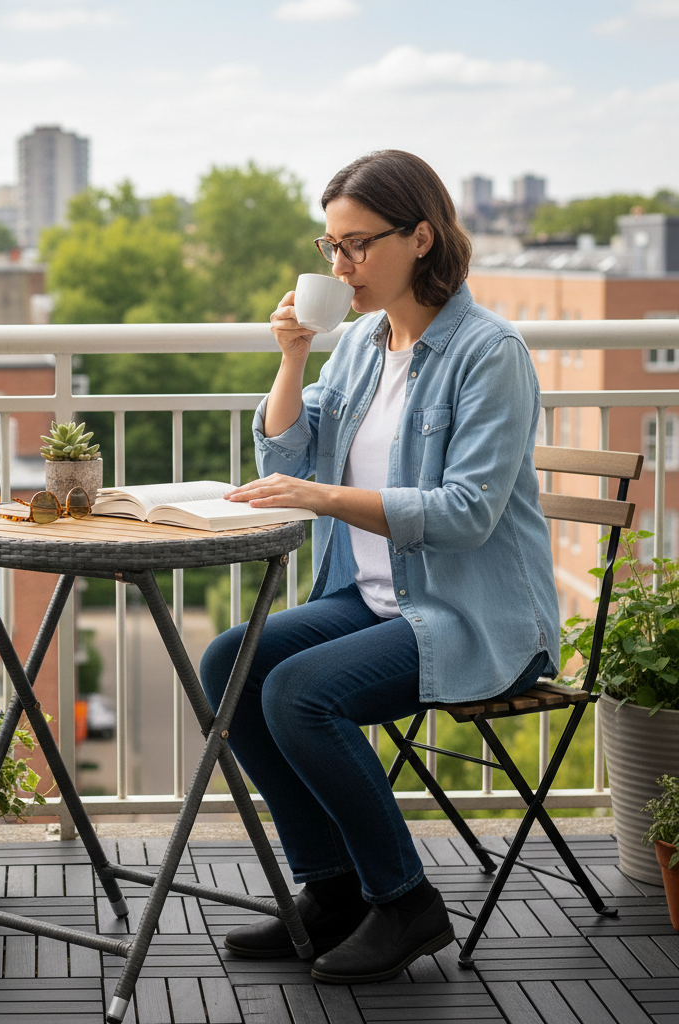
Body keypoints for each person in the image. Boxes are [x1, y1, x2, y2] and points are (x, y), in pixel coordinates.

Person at [199, 150, 560, 985]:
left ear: (422, 237)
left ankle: (404, 902)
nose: (341, 266)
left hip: (469, 617)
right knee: (229, 663)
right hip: (373, 600)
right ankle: (332, 893)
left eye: (357, 245)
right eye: (330, 247)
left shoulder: (488, 353)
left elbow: (467, 512)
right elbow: (291, 445)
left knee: (299, 692)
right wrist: (292, 355)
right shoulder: (360, 342)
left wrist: (321, 498)